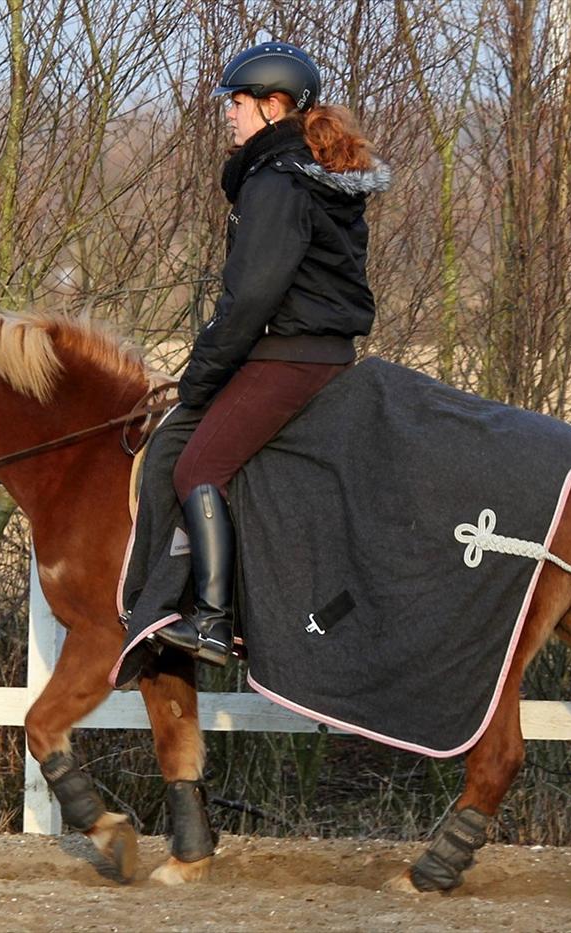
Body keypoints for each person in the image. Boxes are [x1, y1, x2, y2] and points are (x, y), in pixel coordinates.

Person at [153, 41, 391, 666]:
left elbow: (252, 296)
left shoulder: (275, 182)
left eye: (236, 102)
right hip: (323, 353)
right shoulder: (312, 175)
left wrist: (199, 377)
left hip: (288, 358)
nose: (228, 115)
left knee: (194, 468)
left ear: (272, 105)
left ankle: (210, 622)